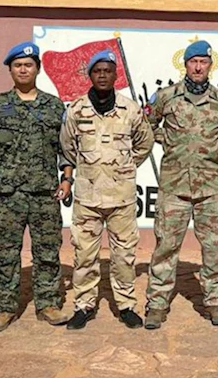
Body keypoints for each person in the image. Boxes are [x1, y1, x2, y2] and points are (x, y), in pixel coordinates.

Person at [0, 42, 72, 332]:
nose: (23, 69)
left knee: (47, 252)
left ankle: (49, 304)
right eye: (18, 65)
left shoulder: (53, 105)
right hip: (7, 194)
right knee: (5, 253)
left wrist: (66, 179)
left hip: (44, 194)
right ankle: (5, 308)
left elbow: (65, 148)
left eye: (28, 65)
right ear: (11, 70)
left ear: (37, 69)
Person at [143, 40, 218, 330]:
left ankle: (215, 303)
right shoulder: (165, 98)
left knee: (215, 249)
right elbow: (147, 127)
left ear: (211, 66)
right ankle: (157, 303)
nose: (198, 67)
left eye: (203, 62)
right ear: (185, 64)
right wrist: (167, 141)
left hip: (210, 189)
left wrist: (207, 146)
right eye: (193, 61)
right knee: (166, 248)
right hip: (174, 187)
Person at [60, 50, 154, 330]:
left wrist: (123, 167)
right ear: (90, 75)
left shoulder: (131, 109)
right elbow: (67, 147)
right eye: (97, 71)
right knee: (84, 255)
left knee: (124, 255)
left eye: (107, 70)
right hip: (87, 198)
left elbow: (145, 143)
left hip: (121, 198)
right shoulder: (76, 110)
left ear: (116, 75)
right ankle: (84, 306)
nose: (102, 75)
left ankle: (126, 305)